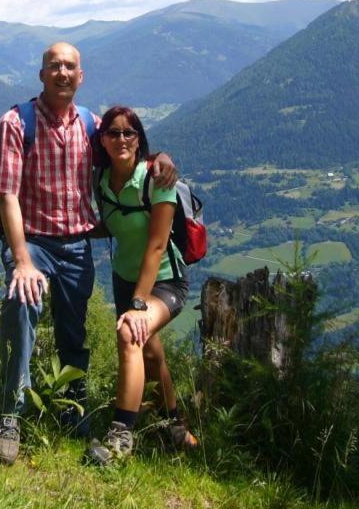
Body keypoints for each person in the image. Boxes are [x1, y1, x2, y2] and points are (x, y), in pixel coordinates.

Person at [0, 42, 177, 466]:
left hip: (76, 246)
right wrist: (22, 260)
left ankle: (71, 407)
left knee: (74, 333)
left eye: (70, 66)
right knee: (22, 304)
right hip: (32, 241)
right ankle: (11, 412)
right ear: (41, 74)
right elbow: (6, 196)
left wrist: (160, 157)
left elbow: (124, 149)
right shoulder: (16, 123)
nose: (62, 73)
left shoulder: (90, 125)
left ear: (81, 75)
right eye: (54, 66)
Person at [84, 105, 199, 466]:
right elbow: (108, 224)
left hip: (165, 281)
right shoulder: (101, 180)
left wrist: (137, 303)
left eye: (128, 133)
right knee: (150, 353)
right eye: (113, 133)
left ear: (139, 138)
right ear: (102, 140)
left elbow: (156, 245)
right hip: (124, 278)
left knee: (130, 337)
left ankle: (120, 438)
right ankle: (176, 427)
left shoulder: (156, 180)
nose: (121, 139)